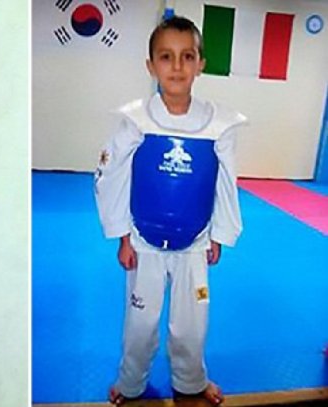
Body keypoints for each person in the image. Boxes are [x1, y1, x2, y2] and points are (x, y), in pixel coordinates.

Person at [94, 16, 245, 406]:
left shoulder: (219, 125)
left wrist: (219, 234)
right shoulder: (136, 121)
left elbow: (226, 182)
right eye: (166, 57)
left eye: (187, 56)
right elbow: (113, 177)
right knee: (140, 322)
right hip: (143, 240)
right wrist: (122, 236)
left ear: (200, 64)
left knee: (192, 324)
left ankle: (191, 381)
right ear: (151, 65)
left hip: (195, 242)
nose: (177, 66)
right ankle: (131, 382)